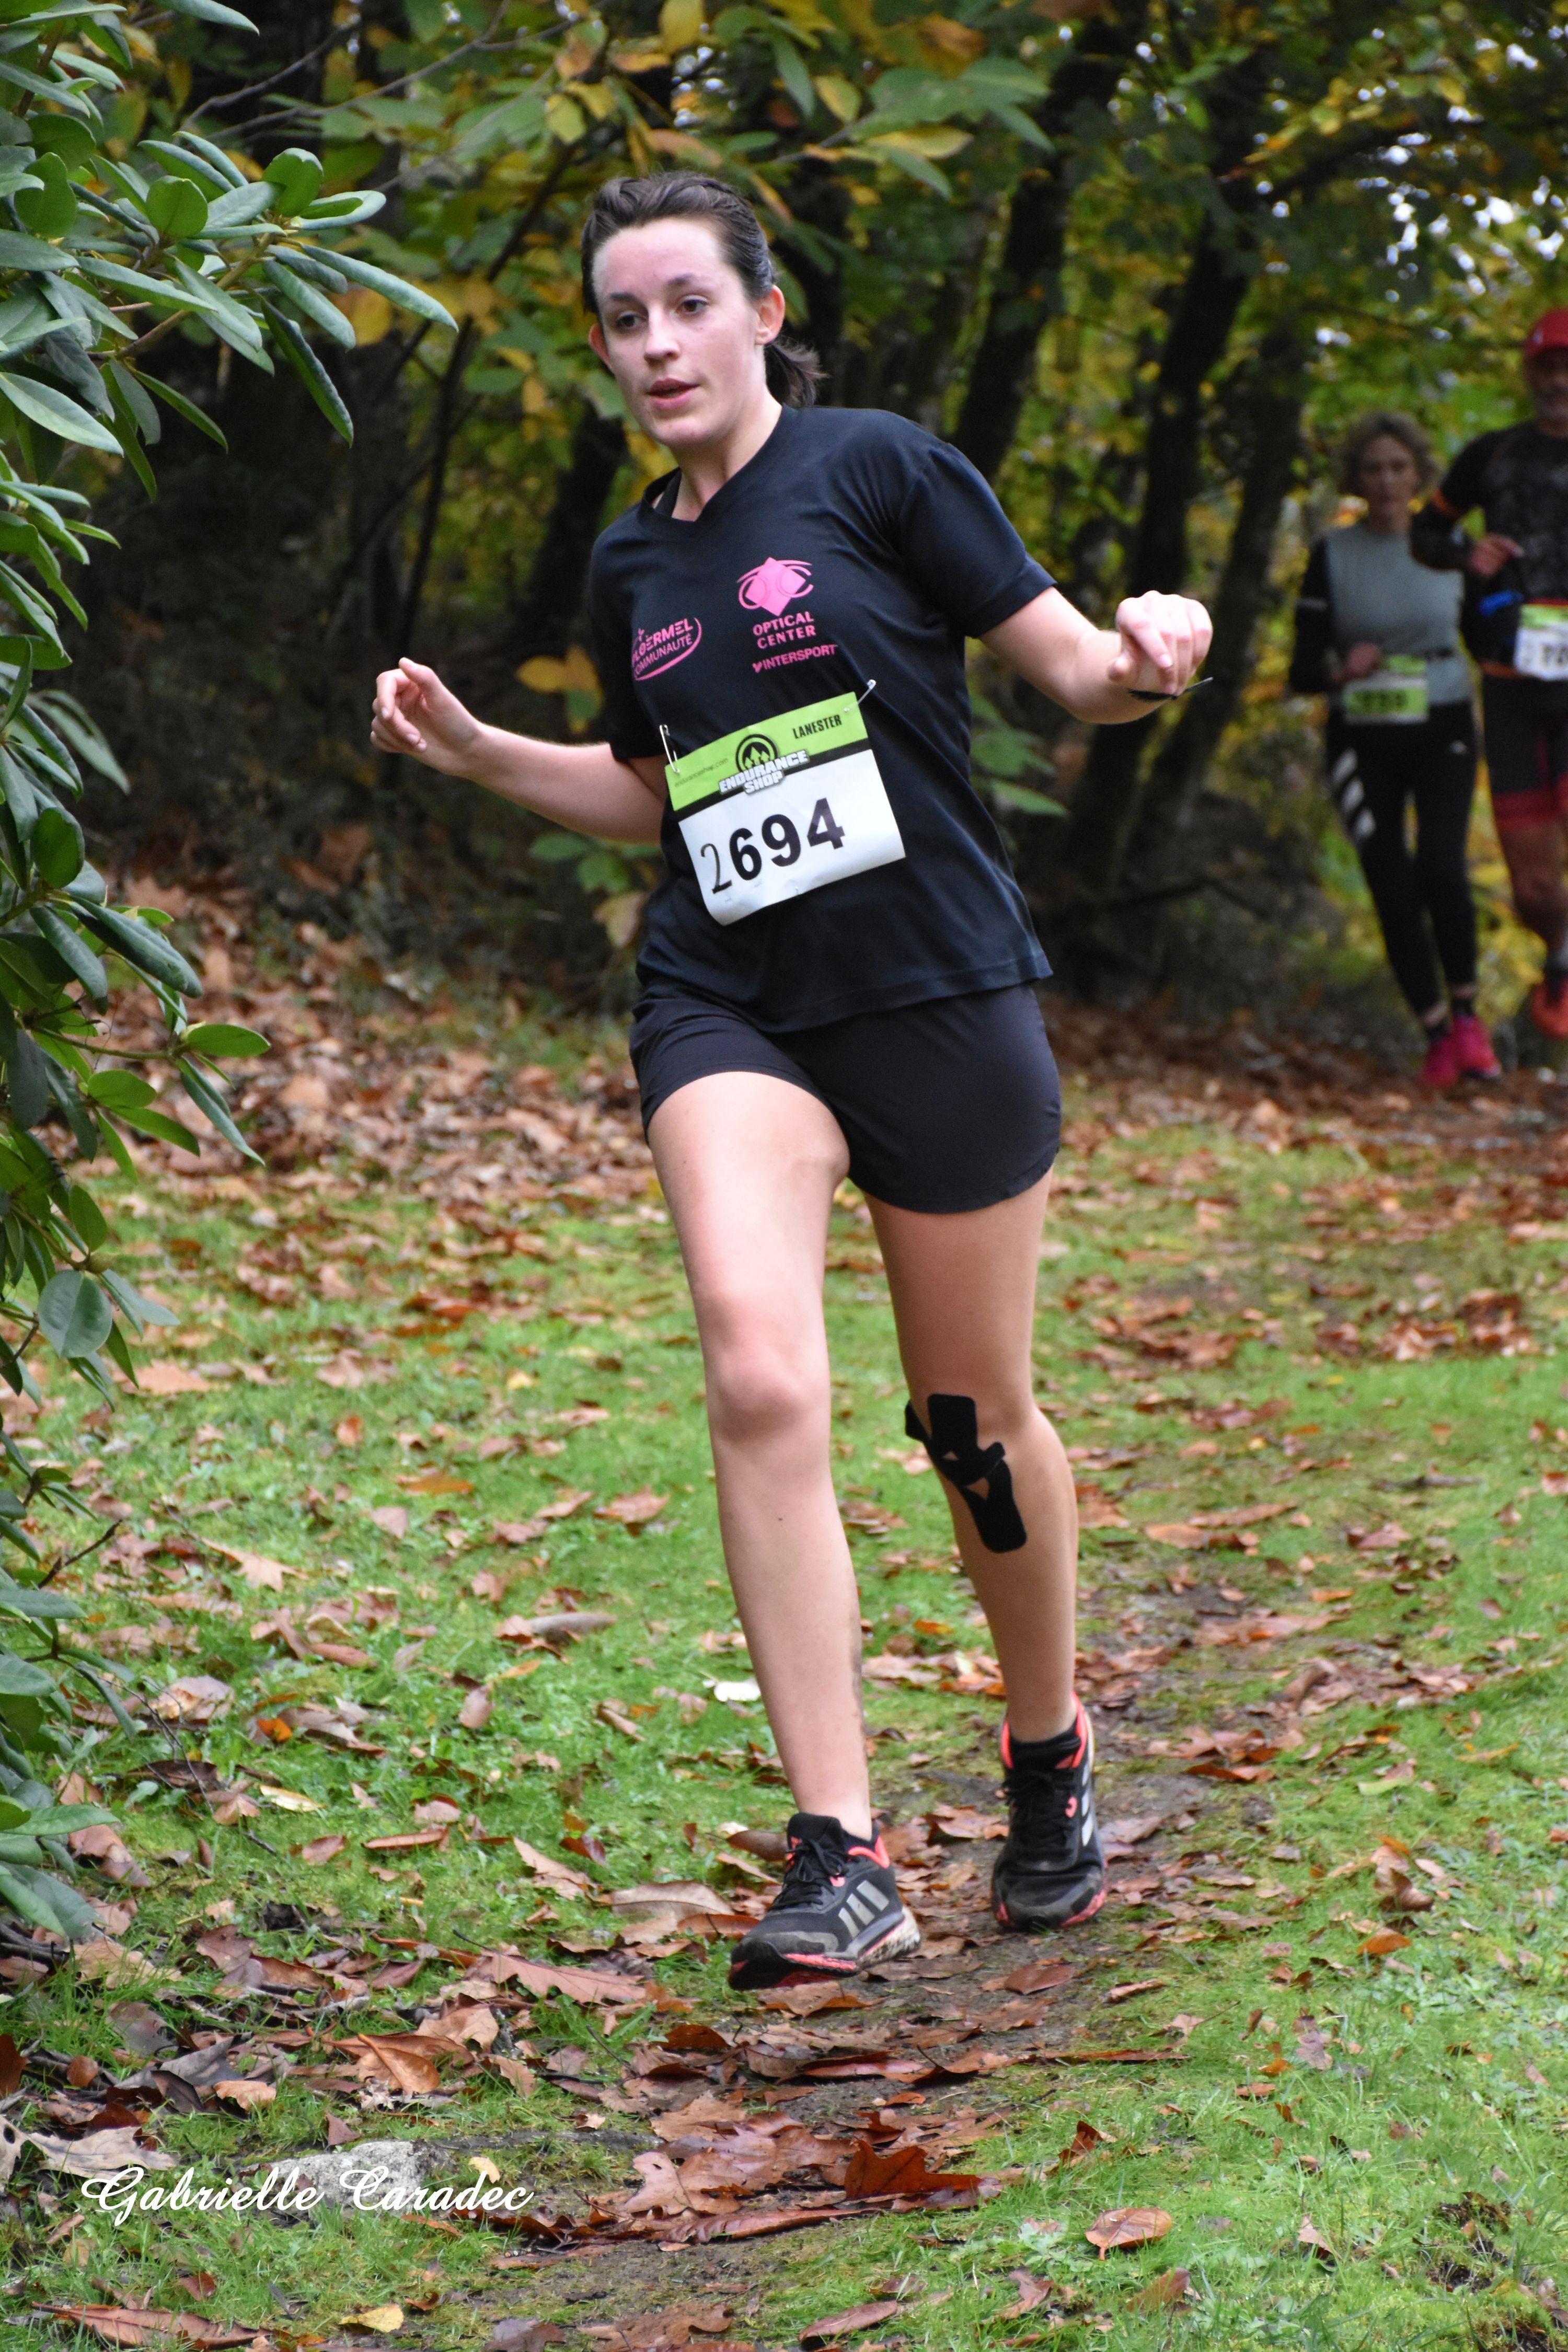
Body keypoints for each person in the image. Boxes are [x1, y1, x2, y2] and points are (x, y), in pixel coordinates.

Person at [371, 172, 1210, 1989]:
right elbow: (656, 787)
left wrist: (1152, 659)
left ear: (763, 311)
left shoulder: (880, 470)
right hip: (730, 1001)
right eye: (624, 319)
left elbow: (1074, 667)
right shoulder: (631, 564)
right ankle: (841, 1851)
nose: (657, 345)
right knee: (758, 1373)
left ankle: (1048, 1746)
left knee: (969, 1423)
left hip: (935, 990)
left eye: (689, 304)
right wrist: (482, 751)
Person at [1290, 411, 1495, 1087]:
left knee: (1442, 868)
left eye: (1398, 467)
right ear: (1356, 477)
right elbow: (1300, 667)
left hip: (1443, 723)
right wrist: (1339, 672)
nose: (1386, 481)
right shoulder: (1333, 554)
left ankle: (1468, 1019)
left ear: (1419, 475)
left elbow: (1489, 638)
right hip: (1363, 738)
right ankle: (1435, 1032)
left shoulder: (1451, 545)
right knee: (1389, 878)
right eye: (1373, 468)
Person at [1412, 309, 1568, 1040]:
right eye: (1547, 367)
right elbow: (1426, 533)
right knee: (1532, 886)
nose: (1559, 380)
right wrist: (1465, 555)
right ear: (1529, 373)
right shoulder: (1494, 456)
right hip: (1511, 683)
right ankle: (1560, 953)